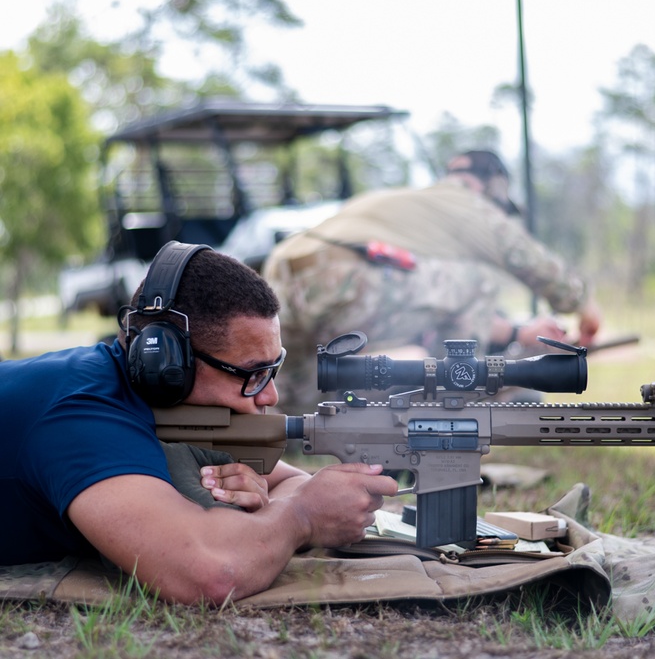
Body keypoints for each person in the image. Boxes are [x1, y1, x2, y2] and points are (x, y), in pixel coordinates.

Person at [0, 242, 398, 605]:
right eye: (252, 374)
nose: (269, 395)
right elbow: (209, 575)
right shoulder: (82, 415)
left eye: (272, 369)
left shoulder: (159, 404)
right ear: (169, 364)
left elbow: (293, 482)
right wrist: (301, 518)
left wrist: (267, 510)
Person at [262, 150, 601, 415]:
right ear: (490, 187)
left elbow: (449, 308)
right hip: (342, 273)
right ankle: (450, 411)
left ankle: (286, 425)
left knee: (297, 389)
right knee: (479, 283)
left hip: (282, 269)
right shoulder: (465, 202)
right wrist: (583, 306)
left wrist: (516, 333)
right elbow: (526, 257)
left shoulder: (412, 205)